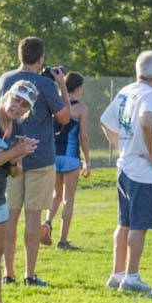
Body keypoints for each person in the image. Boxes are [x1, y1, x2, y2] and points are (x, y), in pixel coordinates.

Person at [0, 37, 71, 287]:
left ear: (20, 55)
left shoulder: (6, 79)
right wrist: (61, 85)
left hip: (10, 155)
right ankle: (30, 274)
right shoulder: (45, 84)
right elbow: (64, 118)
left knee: (10, 216)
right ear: (41, 59)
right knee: (33, 217)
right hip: (39, 157)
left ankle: (8, 273)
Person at [100, 51, 152, 295]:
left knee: (124, 223)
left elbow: (106, 122)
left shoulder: (126, 91)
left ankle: (116, 273)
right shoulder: (151, 95)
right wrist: (151, 154)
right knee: (139, 225)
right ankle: (131, 277)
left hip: (125, 166)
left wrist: (122, 146)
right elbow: (146, 121)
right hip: (144, 172)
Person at [0, 82, 39, 303]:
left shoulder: (17, 128)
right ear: (7, 96)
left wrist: (19, 156)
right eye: (16, 99)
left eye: (25, 105)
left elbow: (14, 172)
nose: (18, 107)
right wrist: (13, 151)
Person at [46, 71, 92, 249]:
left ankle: (48, 222)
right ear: (79, 88)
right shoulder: (81, 108)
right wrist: (87, 160)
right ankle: (62, 240)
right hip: (71, 157)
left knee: (56, 195)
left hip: (53, 155)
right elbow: (84, 136)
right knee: (68, 198)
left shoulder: (55, 103)